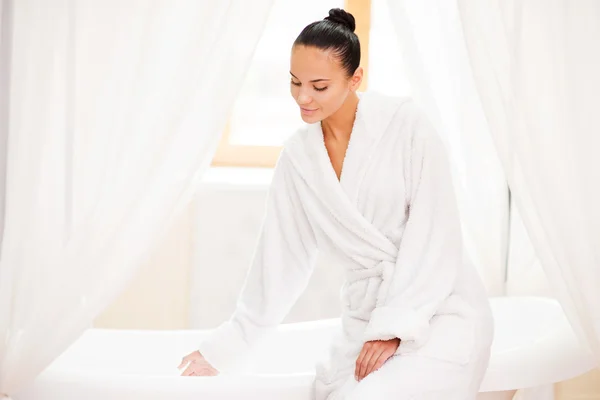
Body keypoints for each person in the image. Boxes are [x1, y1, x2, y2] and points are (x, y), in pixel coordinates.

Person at [178, 8, 494, 400]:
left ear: (355, 79)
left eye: (319, 85)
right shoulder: (298, 159)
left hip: (437, 312)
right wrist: (227, 347)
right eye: (294, 82)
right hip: (367, 320)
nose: (303, 97)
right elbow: (279, 263)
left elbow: (436, 235)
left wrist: (396, 327)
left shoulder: (408, 127)